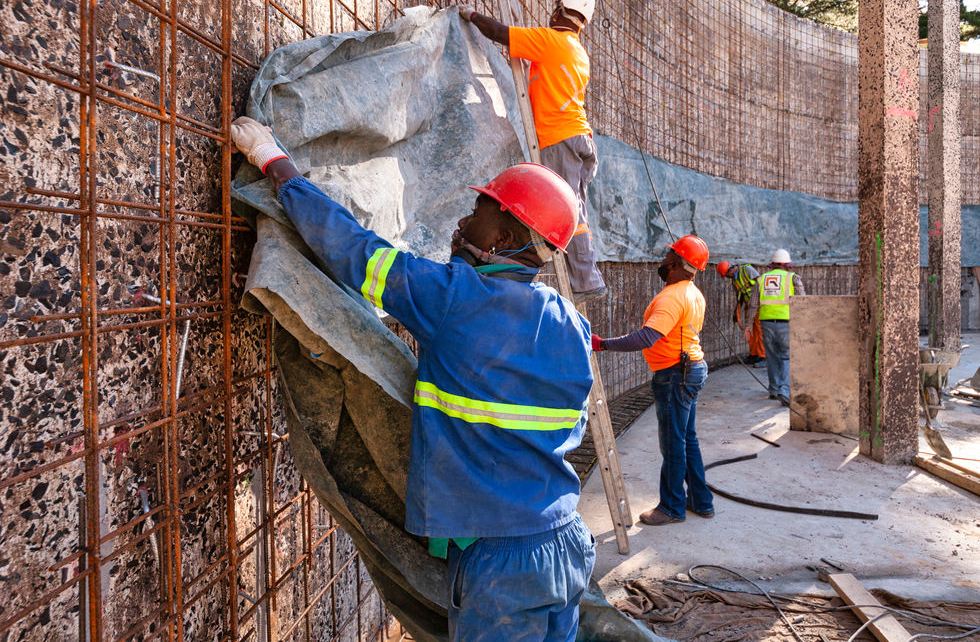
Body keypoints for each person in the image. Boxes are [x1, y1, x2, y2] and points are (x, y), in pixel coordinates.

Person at [230, 116, 597, 642]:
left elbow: (354, 251)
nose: (464, 222)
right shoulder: (572, 324)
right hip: (566, 542)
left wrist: (275, 163)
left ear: (504, 236)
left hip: (502, 562)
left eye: (478, 211)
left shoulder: (454, 299)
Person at [460, 0, 607, 303]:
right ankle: (583, 277)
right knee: (574, 208)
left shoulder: (552, 42)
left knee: (571, 211)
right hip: (577, 137)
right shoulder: (578, 51)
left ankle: (585, 279)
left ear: (559, 10)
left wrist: (470, 15)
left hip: (560, 137)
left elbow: (500, 33)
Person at [592, 235, 713, 526]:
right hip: (690, 369)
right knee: (687, 439)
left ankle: (672, 507)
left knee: (673, 443)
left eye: (668, 255)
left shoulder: (673, 296)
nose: (663, 260)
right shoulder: (692, 292)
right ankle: (701, 501)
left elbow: (648, 337)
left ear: (678, 262)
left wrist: (603, 344)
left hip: (675, 375)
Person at [745, 248, 806, 407]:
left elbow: (753, 305)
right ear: (787, 265)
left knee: (771, 356)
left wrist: (748, 326)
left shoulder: (761, 279)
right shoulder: (793, 278)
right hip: (786, 322)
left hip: (766, 323)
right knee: (786, 356)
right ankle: (784, 391)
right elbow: (802, 302)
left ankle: (773, 389)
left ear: (772, 265)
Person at [715, 260, 765, 366]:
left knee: (759, 330)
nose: (728, 278)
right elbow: (740, 296)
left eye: (727, 275)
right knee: (750, 329)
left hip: (758, 304)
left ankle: (763, 356)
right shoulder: (734, 281)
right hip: (749, 306)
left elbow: (761, 284)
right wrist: (736, 312)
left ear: (731, 269)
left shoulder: (747, 270)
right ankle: (754, 354)